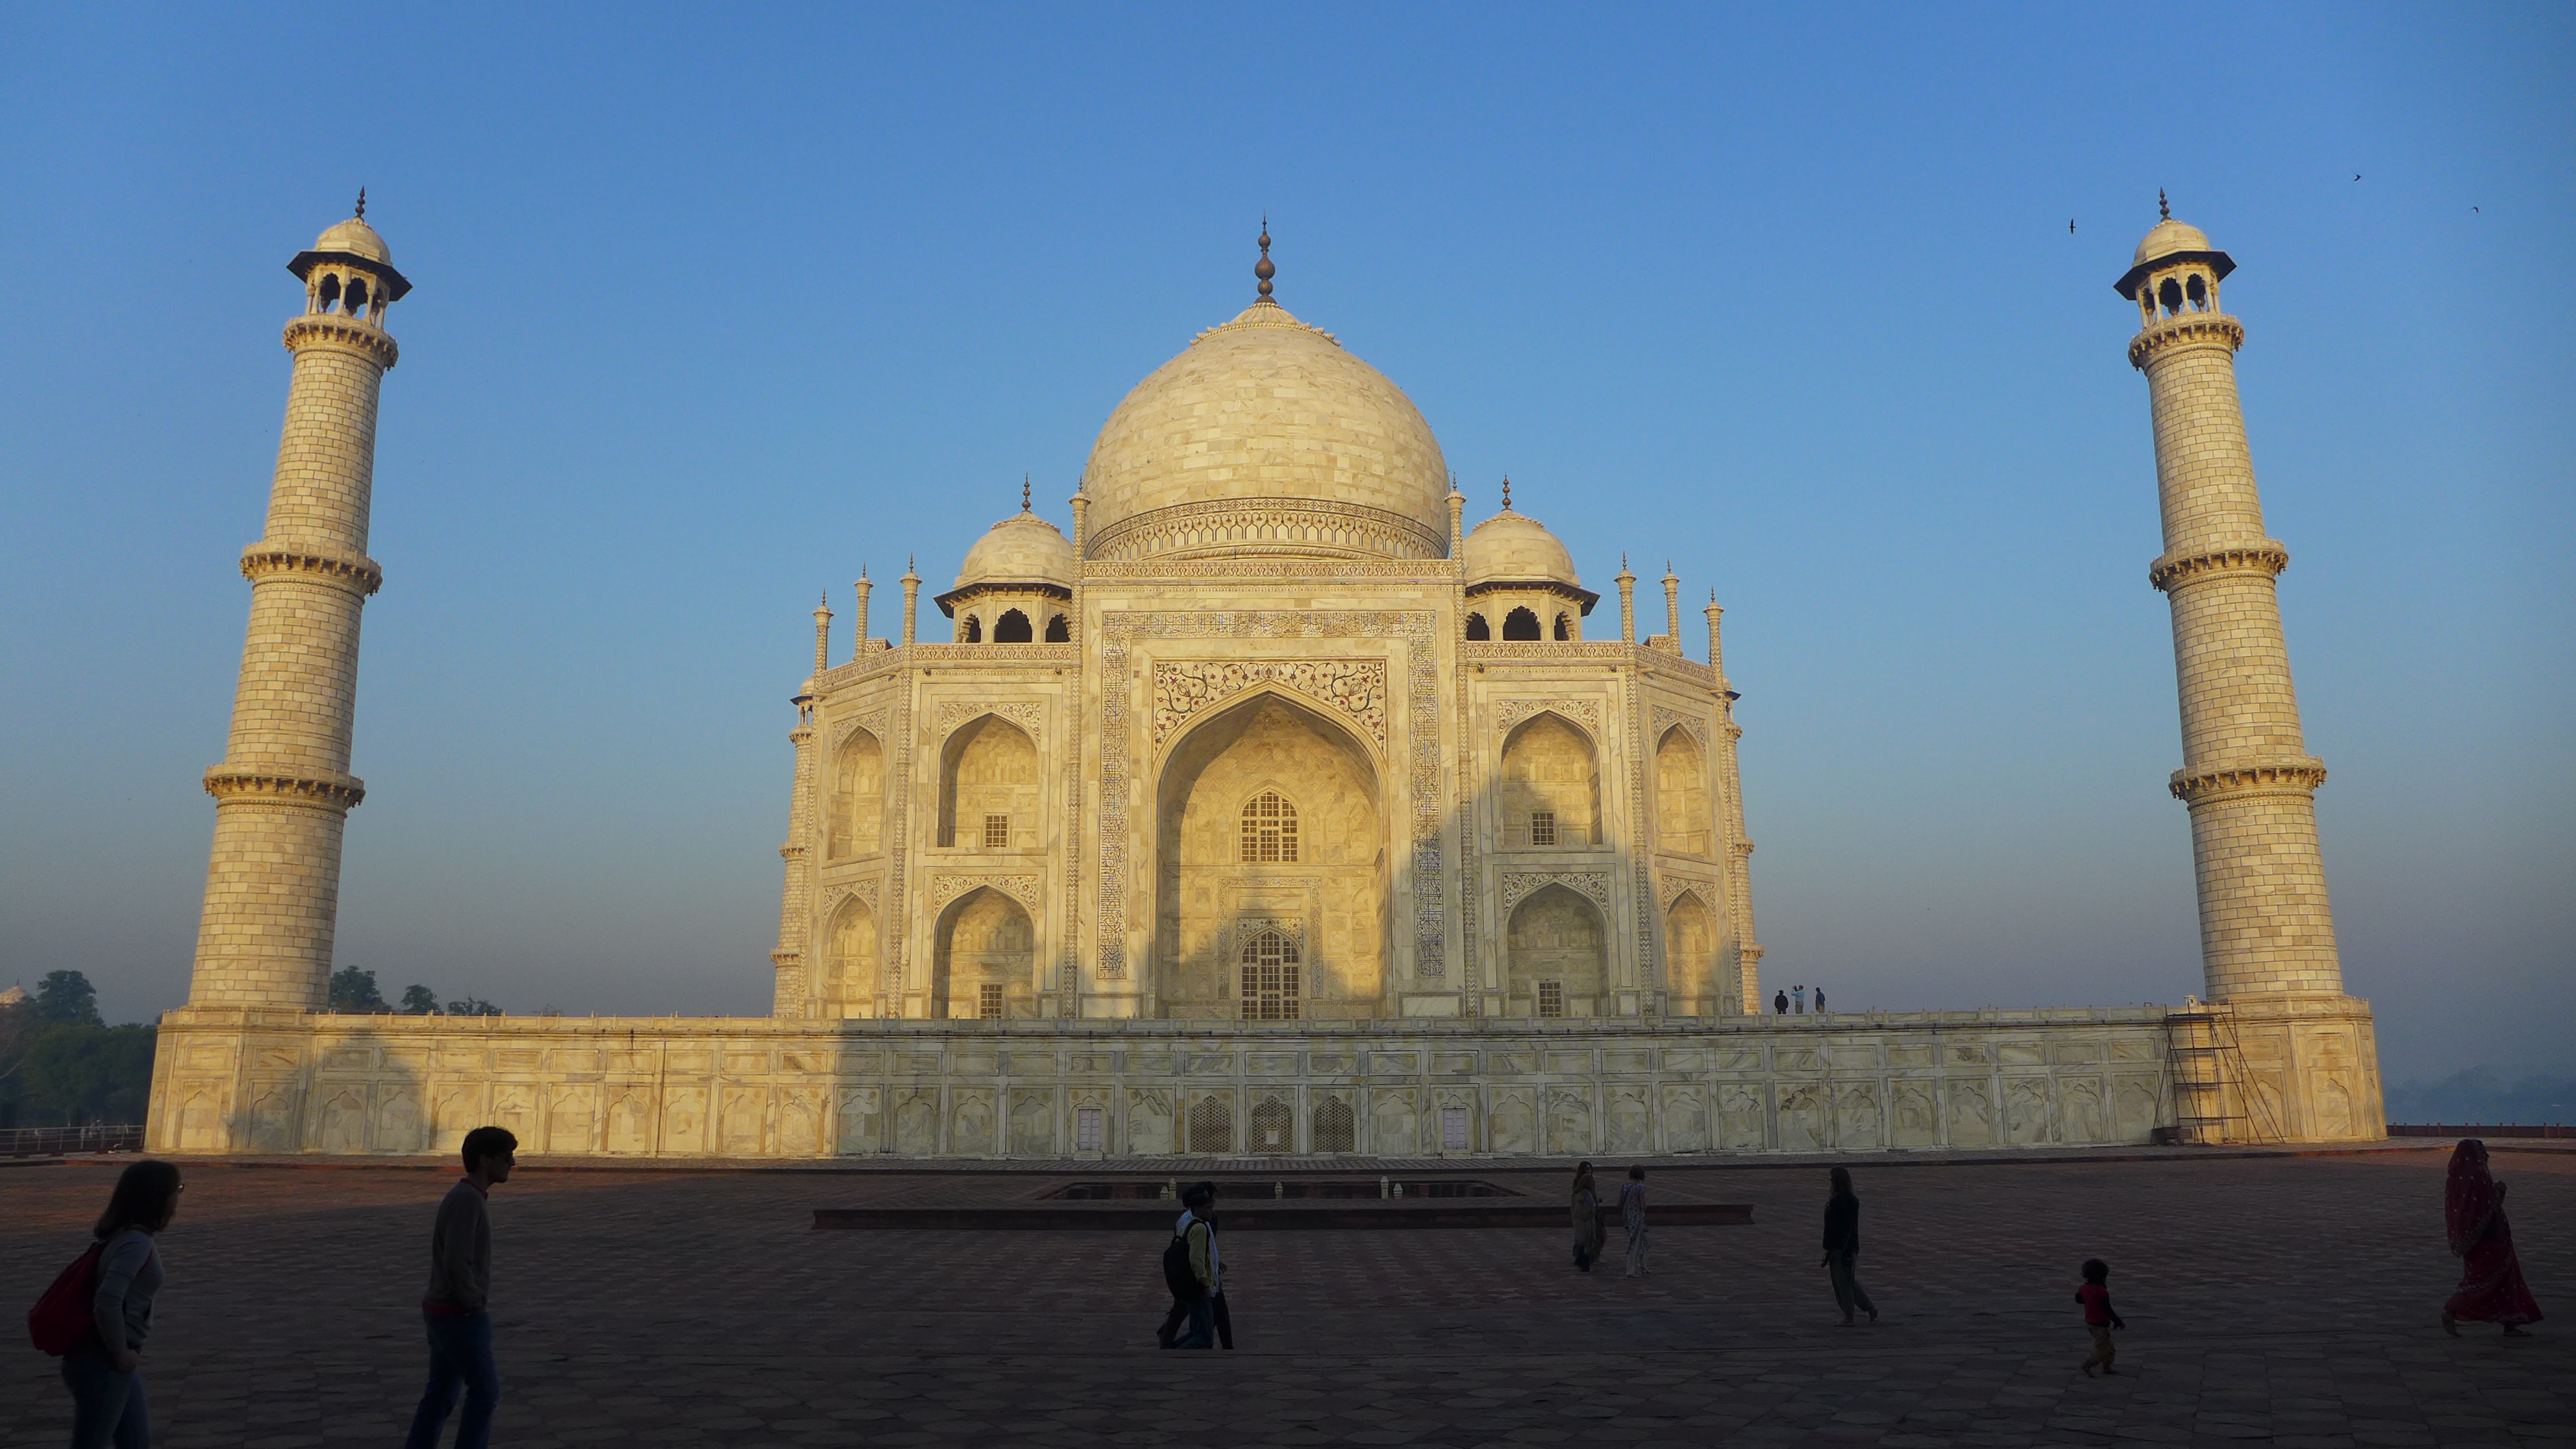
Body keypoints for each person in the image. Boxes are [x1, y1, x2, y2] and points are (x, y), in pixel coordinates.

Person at [406, 1125, 516, 1449]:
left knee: (441, 1394)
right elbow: (457, 1261)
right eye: (507, 1157)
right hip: (457, 1313)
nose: (513, 1164)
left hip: (445, 1310)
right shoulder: (467, 1200)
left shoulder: (469, 1197)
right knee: (486, 1391)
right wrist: (473, 1301)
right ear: (486, 1160)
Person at [63, 1158, 182, 1449]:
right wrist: (120, 1353)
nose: (178, 1196)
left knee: (135, 1442)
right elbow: (107, 1298)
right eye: (177, 1189)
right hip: (103, 1359)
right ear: (158, 1196)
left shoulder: (122, 1235)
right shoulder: (136, 1242)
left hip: (103, 1356)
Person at [2441, 1139, 2544, 1336]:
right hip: (2489, 1237)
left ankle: (2510, 1322)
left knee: (2503, 1279)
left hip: (2478, 1238)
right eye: (2482, 1152)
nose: (2486, 1155)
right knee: (2489, 1281)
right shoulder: (2477, 1176)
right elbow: (2484, 1206)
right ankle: (2451, 1310)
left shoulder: (2456, 1177)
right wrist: (2499, 1191)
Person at [1156, 1182, 1232, 1349]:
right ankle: (1171, 1350)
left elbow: (1202, 1248)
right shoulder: (1196, 1224)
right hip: (1198, 1279)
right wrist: (1206, 1279)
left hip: (1196, 1276)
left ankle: (1168, 1344)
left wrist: (1214, 1262)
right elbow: (1195, 1255)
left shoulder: (1197, 1221)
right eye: (1209, 1205)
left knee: (1190, 1313)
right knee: (1206, 1323)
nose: (1212, 1209)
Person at [1822, 1165, 1877, 1325]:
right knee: (1849, 1280)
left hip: (1841, 1247)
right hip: (1847, 1246)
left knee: (1843, 1284)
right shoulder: (1850, 1200)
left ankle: (1849, 1316)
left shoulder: (1840, 1202)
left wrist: (1832, 1246)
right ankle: (1870, 1308)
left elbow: (1838, 1227)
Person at [2076, 1258, 2126, 1376]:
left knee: (2109, 1348)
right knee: (2102, 1348)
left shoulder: (2084, 1288)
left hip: (2090, 1322)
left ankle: (2107, 1367)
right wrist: (2118, 1321)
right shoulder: (2101, 1291)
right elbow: (2107, 1309)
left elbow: (2078, 1299)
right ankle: (2087, 1364)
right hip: (2100, 1324)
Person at [1570, 1161, 1605, 1272]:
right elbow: (1588, 1205)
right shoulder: (1583, 1188)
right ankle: (1584, 1261)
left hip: (1582, 1218)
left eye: (1590, 1168)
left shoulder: (1586, 1186)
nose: (1589, 1171)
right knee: (1587, 1240)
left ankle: (1587, 1258)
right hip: (1586, 1218)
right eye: (1587, 1169)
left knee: (1592, 1237)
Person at [1618, 1166, 1650, 1278]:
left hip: (1628, 1217)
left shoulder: (1625, 1186)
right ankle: (1631, 1270)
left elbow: (1620, 1201)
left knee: (1642, 1243)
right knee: (1635, 1244)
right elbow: (1644, 1205)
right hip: (1637, 1217)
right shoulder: (1640, 1187)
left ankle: (1643, 1266)